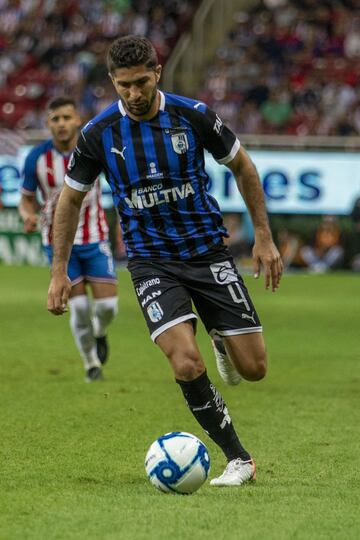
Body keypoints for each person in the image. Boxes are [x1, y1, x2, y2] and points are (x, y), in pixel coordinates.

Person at [47, 36, 283, 486]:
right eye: (124, 86)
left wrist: (265, 240)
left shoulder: (192, 115)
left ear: (156, 73)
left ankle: (220, 335)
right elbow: (69, 200)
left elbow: (244, 168)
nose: (133, 95)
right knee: (185, 364)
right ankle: (239, 458)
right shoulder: (99, 134)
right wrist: (59, 271)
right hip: (151, 262)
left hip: (207, 251)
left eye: (141, 83)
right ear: (112, 82)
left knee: (254, 370)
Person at [19, 97, 118, 382]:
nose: (61, 124)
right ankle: (91, 365)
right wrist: (28, 215)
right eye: (55, 119)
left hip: (95, 236)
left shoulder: (94, 149)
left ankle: (100, 333)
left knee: (107, 308)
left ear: (77, 120)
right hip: (59, 244)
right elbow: (26, 200)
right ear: (48, 124)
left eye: (66, 118)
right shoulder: (36, 158)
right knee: (79, 308)